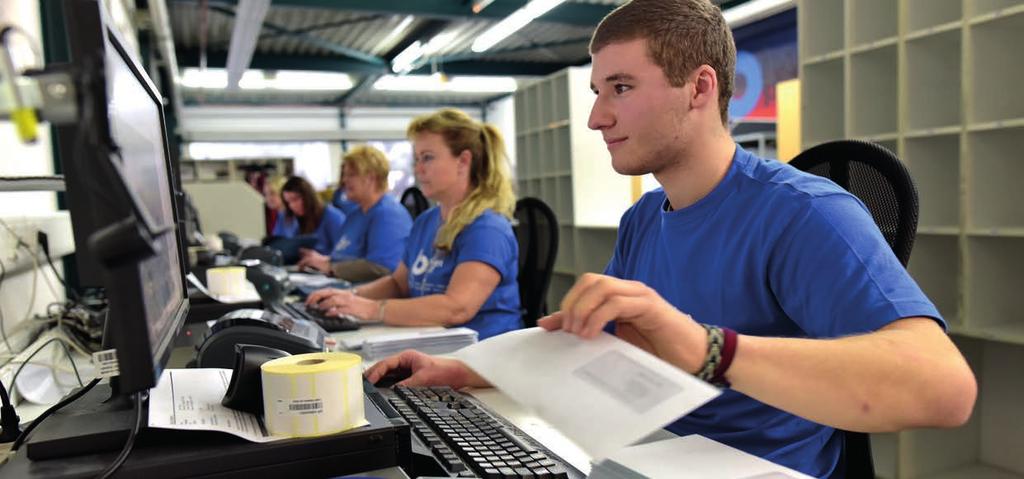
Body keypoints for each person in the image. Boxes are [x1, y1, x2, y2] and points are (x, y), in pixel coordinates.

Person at [363, 1, 977, 477]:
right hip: (651, 453)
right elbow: (595, 342)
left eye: (621, 89)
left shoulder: (805, 213)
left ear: (701, 88)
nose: (597, 118)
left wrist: (710, 350)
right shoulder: (646, 217)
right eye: (598, 92)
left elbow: (945, 389)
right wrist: (463, 369)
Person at [306, 109, 521, 340]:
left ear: (463, 161)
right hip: (435, 343)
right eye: (416, 159)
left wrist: (372, 309)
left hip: (480, 356)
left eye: (427, 157)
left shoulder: (487, 229)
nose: (418, 169)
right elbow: (399, 284)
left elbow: (456, 308)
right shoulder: (426, 222)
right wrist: (349, 297)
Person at [297, 145, 413, 282]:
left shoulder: (389, 215)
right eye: (344, 175)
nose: (344, 180)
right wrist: (322, 260)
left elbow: (382, 268)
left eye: (351, 175)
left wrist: (330, 266)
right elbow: (348, 255)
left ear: (371, 178)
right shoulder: (354, 215)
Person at [272, 176, 346, 256]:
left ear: (307, 196)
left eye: (295, 199)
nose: (292, 206)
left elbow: (343, 255)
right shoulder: (289, 217)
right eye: (288, 202)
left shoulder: (333, 217)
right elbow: (278, 246)